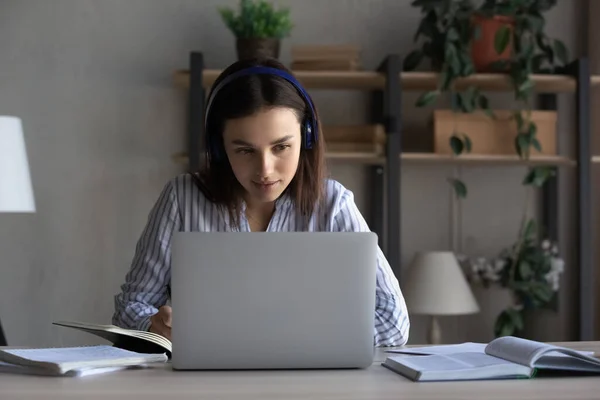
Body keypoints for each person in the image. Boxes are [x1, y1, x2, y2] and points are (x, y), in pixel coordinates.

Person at [112, 57, 410, 347]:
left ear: (307, 138)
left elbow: (394, 322)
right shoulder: (181, 199)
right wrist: (153, 327)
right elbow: (130, 308)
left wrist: (302, 340)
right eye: (244, 151)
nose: (265, 170)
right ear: (218, 148)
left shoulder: (333, 205)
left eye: (281, 147)